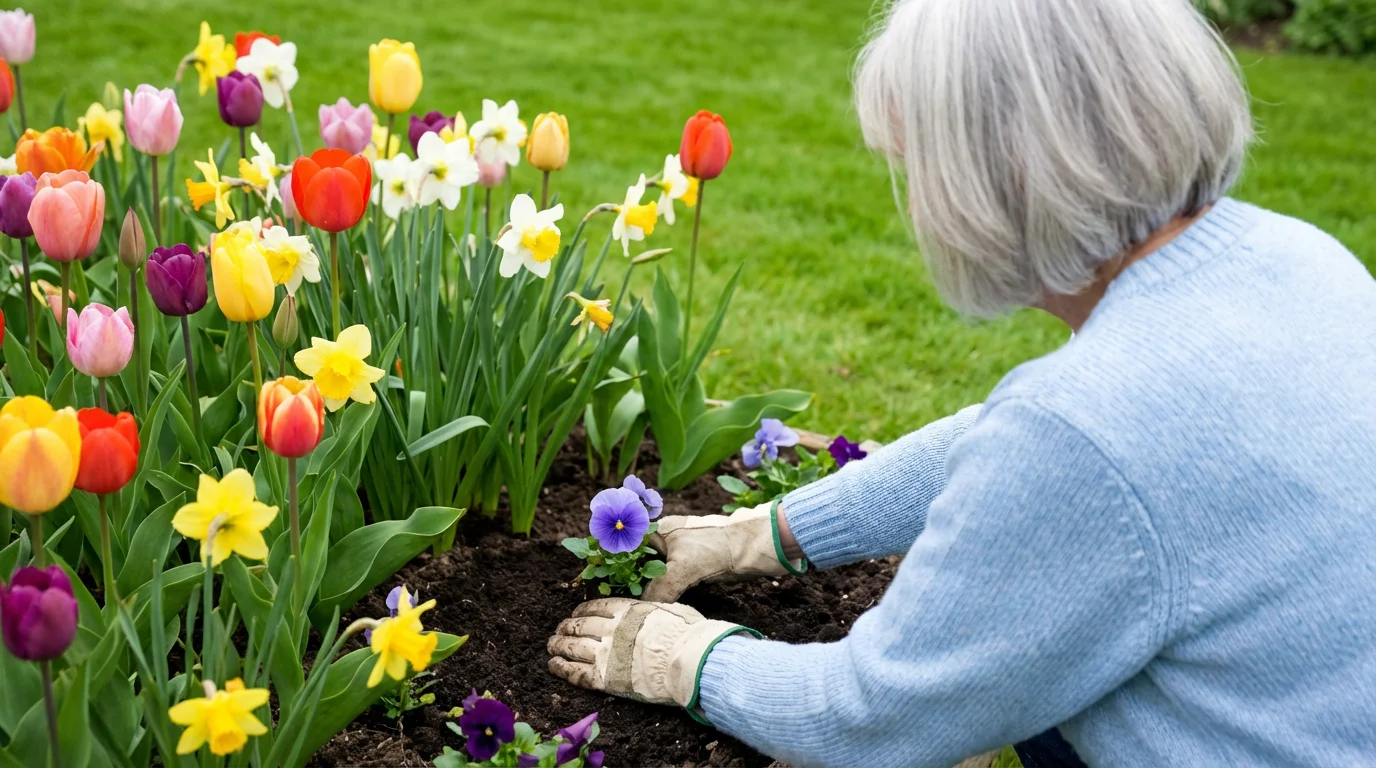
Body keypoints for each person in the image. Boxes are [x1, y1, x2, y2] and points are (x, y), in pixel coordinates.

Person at [546, 0, 1376, 765]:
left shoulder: (1087, 428)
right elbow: (1011, 437)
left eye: (918, 167)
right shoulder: (1297, 259)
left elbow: (872, 718)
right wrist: (761, 534)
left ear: (998, 173)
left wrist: (686, 659)